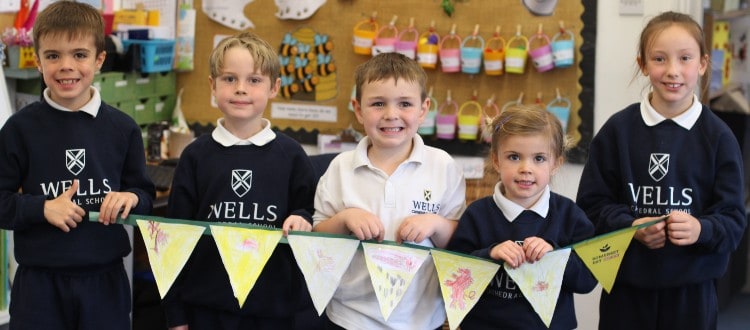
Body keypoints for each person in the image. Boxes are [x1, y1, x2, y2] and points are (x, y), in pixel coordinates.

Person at [576, 11, 747, 330]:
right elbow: (589, 210)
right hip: (626, 293)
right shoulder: (617, 131)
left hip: (692, 296)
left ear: (702, 63)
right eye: (659, 58)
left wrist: (701, 229)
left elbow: (734, 221)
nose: (673, 71)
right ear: (642, 64)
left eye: (685, 58)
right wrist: (630, 226)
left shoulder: (719, 137)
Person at [0, 1, 156, 329]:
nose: (66, 66)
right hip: (39, 287)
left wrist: (131, 199)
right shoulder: (18, 129)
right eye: (53, 55)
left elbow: (144, 194)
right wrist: (42, 209)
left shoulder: (123, 128)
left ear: (99, 59)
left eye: (79, 55)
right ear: (38, 60)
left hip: (105, 284)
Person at [162, 31, 317, 330]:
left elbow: (313, 214)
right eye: (229, 78)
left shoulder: (292, 155)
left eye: (254, 80)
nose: (241, 89)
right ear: (212, 86)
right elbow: (172, 241)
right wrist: (175, 315)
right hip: (206, 307)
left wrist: (302, 216)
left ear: (274, 88)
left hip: (272, 309)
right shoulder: (195, 156)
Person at [312, 52, 467, 330]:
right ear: (358, 109)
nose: (391, 114)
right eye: (378, 103)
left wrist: (436, 224)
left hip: (422, 318)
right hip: (349, 315)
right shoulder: (340, 168)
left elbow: (460, 243)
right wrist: (345, 218)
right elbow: (316, 239)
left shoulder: (443, 166)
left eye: (405, 103)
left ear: (423, 109)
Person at [447, 104, 597, 329]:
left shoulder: (570, 215)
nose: (526, 168)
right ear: (496, 160)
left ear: (556, 163)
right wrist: (490, 254)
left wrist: (554, 255)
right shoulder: (477, 214)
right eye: (514, 157)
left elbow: (587, 280)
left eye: (539, 159)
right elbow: (453, 276)